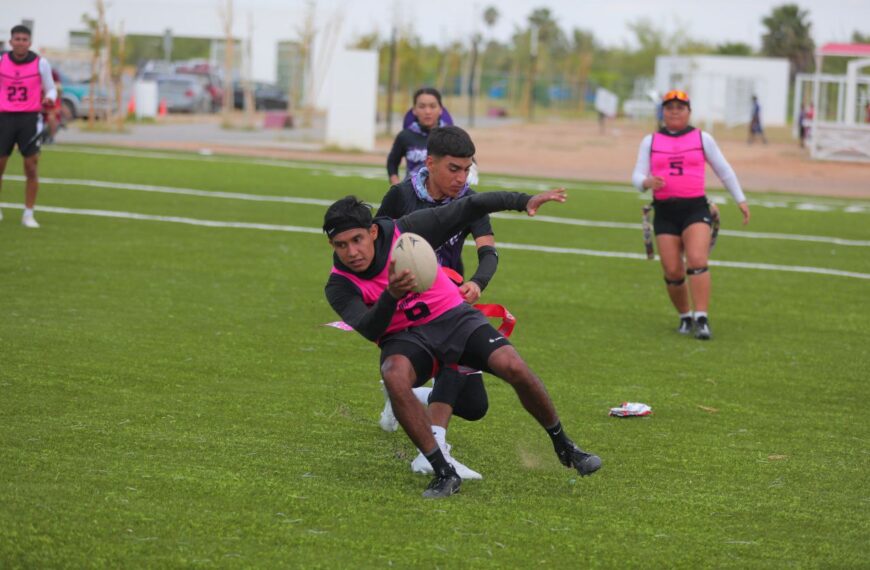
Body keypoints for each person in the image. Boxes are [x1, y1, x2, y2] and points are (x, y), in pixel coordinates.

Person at [323, 165, 601, 498]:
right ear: (332, 245)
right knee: (394, 374)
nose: (352, 252)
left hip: (454, 318)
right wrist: (391, 296)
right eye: (341, 245)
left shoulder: (407, 231)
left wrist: (525, 200)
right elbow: (370, 329)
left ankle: (565, 446)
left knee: (508, 369)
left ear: (371, 232)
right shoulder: (339, 285)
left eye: (357, 240)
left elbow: (470, 206)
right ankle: (442, 471)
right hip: (406, 338)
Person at [376, 126, 500, 480]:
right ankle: (432, 451)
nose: (462, 178)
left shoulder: (471, 201)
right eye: (454, 169)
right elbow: (376, 250)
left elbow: (489, 253)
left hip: (452, 295)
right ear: (430, 163)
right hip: (412, 306)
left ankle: (406, 392)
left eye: (467, 169)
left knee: (475, 407)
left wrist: (477, 282)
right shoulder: (400, 197)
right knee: (453, 352)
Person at [632, 89, 750, 340]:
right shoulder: (650, 141)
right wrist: (646, 182)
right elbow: (636, 176)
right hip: (665, 211)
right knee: (673, 270)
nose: (675, 111)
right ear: (663, 111)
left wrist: (740, 199)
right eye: (670, 107)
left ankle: (702, 318)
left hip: (695, 208)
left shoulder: (702, 138)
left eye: (680, 107)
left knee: (697, 260)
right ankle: (685, 316)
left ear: (689, 111)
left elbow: (724, 170)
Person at [0, 25, 57, 228]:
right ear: (11, 42)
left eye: (24, 39)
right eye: (17, 39)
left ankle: (28, 213)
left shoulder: (41, 63)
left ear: (30, 43)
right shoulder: (1, 61)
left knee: (31, 167)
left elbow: (51, 89)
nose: (21, 42)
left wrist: (49, 99)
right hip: (4, 118)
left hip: (29, 119)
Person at [386, 87, 453, 185]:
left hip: (444, 196)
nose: (427, 111)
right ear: (414, 110)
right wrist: (396, 185)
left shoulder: (451, 136)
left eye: (432, 106)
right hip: (412, 194)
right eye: (422, 106)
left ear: (441, 110)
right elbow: (392, 162)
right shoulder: (405, 136)